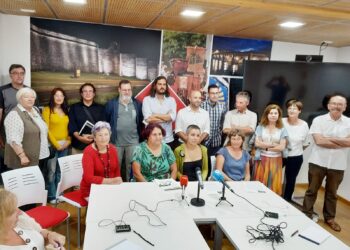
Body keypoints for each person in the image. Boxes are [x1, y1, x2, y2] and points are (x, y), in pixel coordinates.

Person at [303, 94, 350, 232]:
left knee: (332, 193)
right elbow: (319, 141)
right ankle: (306, 214)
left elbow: (349, 142)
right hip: (318, 161)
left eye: (340, 104)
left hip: (338, 164)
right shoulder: (318, 120)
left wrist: (329, 138)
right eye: (334, 103)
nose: (337, 106)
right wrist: (341, 141)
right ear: (328, 105)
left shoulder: (349, 122)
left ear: (345, 107)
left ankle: (330, 218)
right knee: (311, 190)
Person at [0, 188, 66, 250]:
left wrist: (49, 234)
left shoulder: (20, 219)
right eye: (12, 211)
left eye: (16, 207)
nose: (20, 212)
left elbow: (40, 231)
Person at [105, 79, 143, 181]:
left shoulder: (137, 104)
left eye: (129, 90)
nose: (127, 92)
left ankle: (131, 191)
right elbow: (106, 122)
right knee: (114, 167)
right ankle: (116, 191)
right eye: (124, 90)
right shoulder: (112, 104)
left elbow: (141, 122)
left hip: (133, 142)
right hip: (116, 142)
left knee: (132, 169)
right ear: (119, 90)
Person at [4, 88, 50, 171]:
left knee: (37, 181)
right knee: (25, 182)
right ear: (19, 99)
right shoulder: (14, 114)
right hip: (24, 160)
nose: (30, 99)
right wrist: (22, 156)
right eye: (26, 97)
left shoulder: (35, 110)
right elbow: (13, 139)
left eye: (32, 97)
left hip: (41, 155)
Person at [80, 121, 123, 200]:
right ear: (95, 137)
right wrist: (111, 181)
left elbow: (116, 171)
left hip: (109, 187)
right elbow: (88, 178)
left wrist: (117, 183)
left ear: (110, 135)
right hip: (90, 190)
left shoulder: (113, 149)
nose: (103, 138)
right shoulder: (88, 152)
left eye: (106, 134)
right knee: (106, 204)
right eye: (100, 135)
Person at [42, 88, 71, 204]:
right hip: (52, 145)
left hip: (65, 144)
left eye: (61, 95)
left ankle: (60, 194)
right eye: (56, 95)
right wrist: (56, 145)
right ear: (52, 97)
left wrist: (68, 142)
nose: (59, 98)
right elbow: (46, 130)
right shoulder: (47, 110)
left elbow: (70, 128)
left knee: (61, 171)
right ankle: (52, 195)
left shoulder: (67, 110)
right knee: (51, 171)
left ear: (64, 98)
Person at [253, 104, 287, 195]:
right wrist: (272, 145)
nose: (273, 115)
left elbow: (282, 147)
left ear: (279, 115)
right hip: (261, 158)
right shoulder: (260, 127)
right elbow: (257, 143)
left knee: (273, 183)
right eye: (271, 113)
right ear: (267, 115)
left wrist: (264, 145)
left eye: (275, 113)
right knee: (259, 184)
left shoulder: (282, 129)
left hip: (276, 160)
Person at [0, 64, 28, 176]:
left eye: (21, 73)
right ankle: (8, 192)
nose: (19, 76)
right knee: (10, 164)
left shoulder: (29, 90)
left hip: (26, 134)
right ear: (11, 75)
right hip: (8, 135)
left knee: (24, 163)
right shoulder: (2, 91)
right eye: (15, 73)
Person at [282, 99, 309, 202]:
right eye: (289, 108)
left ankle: (287, 200)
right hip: (279, 155)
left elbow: (305, 143)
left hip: (295, 157)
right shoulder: (281, 121)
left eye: (295, 108)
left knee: (291, 180)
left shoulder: (304, 125)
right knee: (273, 177)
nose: (292, 110)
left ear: (299, 111)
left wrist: (295, 151)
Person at [68, 83, 105, 154]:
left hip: (96, 146)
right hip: (78, 146)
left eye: (90, 91)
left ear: (94, 94)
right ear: (81, 94)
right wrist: (79, 137)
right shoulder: (74, 107)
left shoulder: (101, 108)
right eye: (85, 91)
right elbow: (72, 125)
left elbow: (103, 126)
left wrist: (93, 136)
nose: (88, 93)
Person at [142, 76, 177, 149]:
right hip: (152, 139)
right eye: (160, 84)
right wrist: (166, 117)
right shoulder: (147, 100)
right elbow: (148, 119)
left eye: (164, 84)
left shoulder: (171, 100)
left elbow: (172, 117)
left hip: (168, 139)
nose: (162, 86)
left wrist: (155, 115)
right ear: (155, 86)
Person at [200, 85, 227, 178]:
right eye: (212, 93)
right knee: (203, 164)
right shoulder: (201, 105)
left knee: (214, 165)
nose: (215, 95)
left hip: (216, 141)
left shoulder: (222, 106)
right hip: (203, 141)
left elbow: (223, 123)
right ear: (208, 94)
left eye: (217, 93)